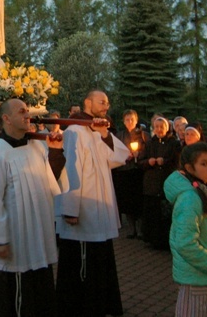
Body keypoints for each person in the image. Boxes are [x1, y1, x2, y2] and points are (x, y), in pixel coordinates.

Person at [0, 99, 66, 316]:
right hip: (14, 239)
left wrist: (56, 152)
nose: (27, 114)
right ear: (6, 118)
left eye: (27, 110)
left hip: (38, 236)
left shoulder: (37, 147)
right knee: (13, 299)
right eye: (21, 111)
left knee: (40, 293)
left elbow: (50, 182)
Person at [55, 90, 130, 317]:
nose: (106, 105)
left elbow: (120, 157)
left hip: (100, 206)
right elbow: (69, 170)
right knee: (81, 260)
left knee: (99, 259)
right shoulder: (75, 130)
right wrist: (69, 208)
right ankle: (79, 307)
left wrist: (105, 135)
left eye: (108, 102)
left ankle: (99, 304)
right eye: (101, 101)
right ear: (87, 103)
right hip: (83, 208)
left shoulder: (100, 129)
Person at [165, 143, 207, 317]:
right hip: (198, 278)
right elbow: (184, 242)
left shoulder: (205, 191)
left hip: (204, 278)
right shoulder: (190, 199)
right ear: (189, 168)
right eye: (204, 164)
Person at [140, 117, 181, 249]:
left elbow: (177, 161)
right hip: (151, 183)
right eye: (156, 127)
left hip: (165, 181)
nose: (159, 129)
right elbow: (141, 161)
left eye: (161, 126)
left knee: (164, 213)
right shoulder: (150, 143)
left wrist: (165, 161)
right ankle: (151, 239)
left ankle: (164, 240)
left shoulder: (173, 143)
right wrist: (148, 162)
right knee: (152, 212)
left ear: (167, 128)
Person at [113, 109, 148, 239]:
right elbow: (115, 150)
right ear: (123, 121)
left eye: (132, 119)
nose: (129, 122)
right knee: (126, 201)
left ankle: (140, 229)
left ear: (136, 120)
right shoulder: (119, 135)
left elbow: (147, 149)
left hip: (136, 170)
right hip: (124, 171)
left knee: (137, 200)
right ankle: (131, 228)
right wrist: (123, 156)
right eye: (127, 120)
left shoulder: (142, 135)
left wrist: (139, 154)